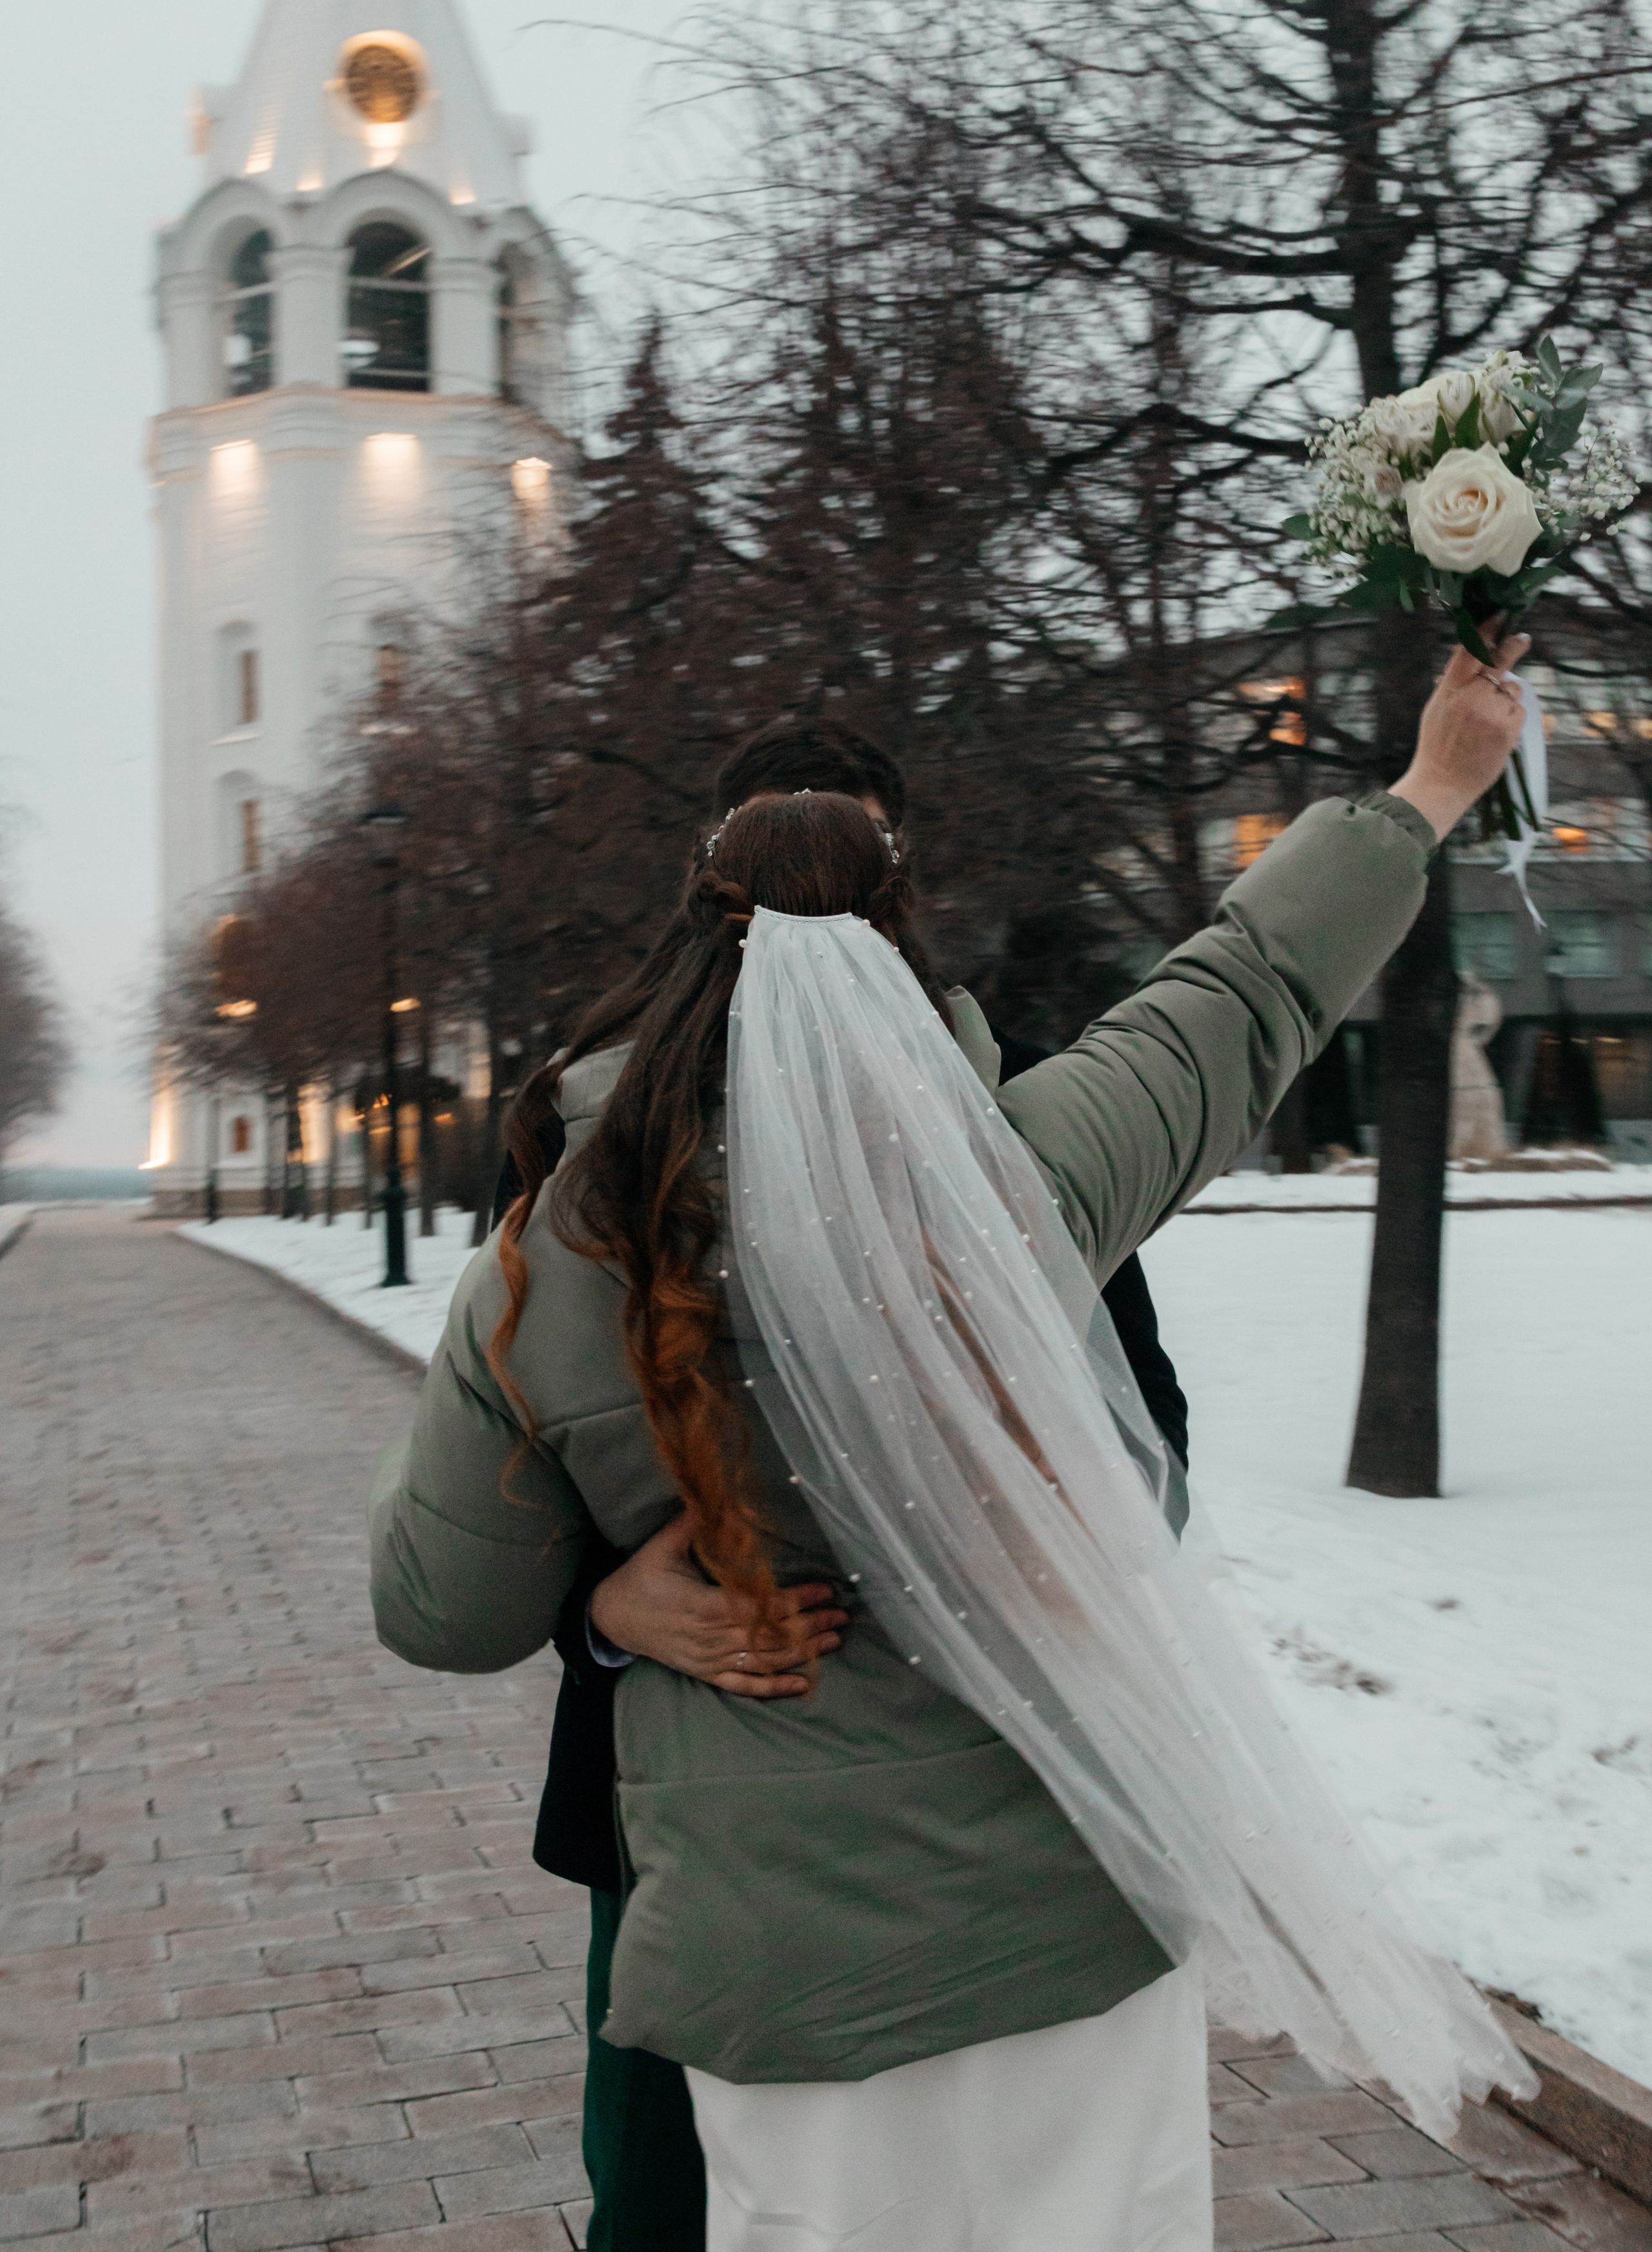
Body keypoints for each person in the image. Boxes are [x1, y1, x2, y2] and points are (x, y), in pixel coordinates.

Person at [370, 638, 1535, 2251]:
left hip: (778, 1953)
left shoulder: (550, 1256)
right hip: (1068, 1906)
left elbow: (436, 1608)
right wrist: (1428, 785)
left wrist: (599, 1599)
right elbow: (1245, 984)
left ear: (694, 928)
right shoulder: (1029, 1179)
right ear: (898, 930)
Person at [489, 715, 1192, 2252]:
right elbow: (509, 1477)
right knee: (659, 2190)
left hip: (989, 1799)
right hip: (687, 1802)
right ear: (710, 897)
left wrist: (1056, 1530)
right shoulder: (586, 1143)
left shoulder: (1001, 1135)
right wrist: (607, 1608)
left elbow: (1142, 1437)